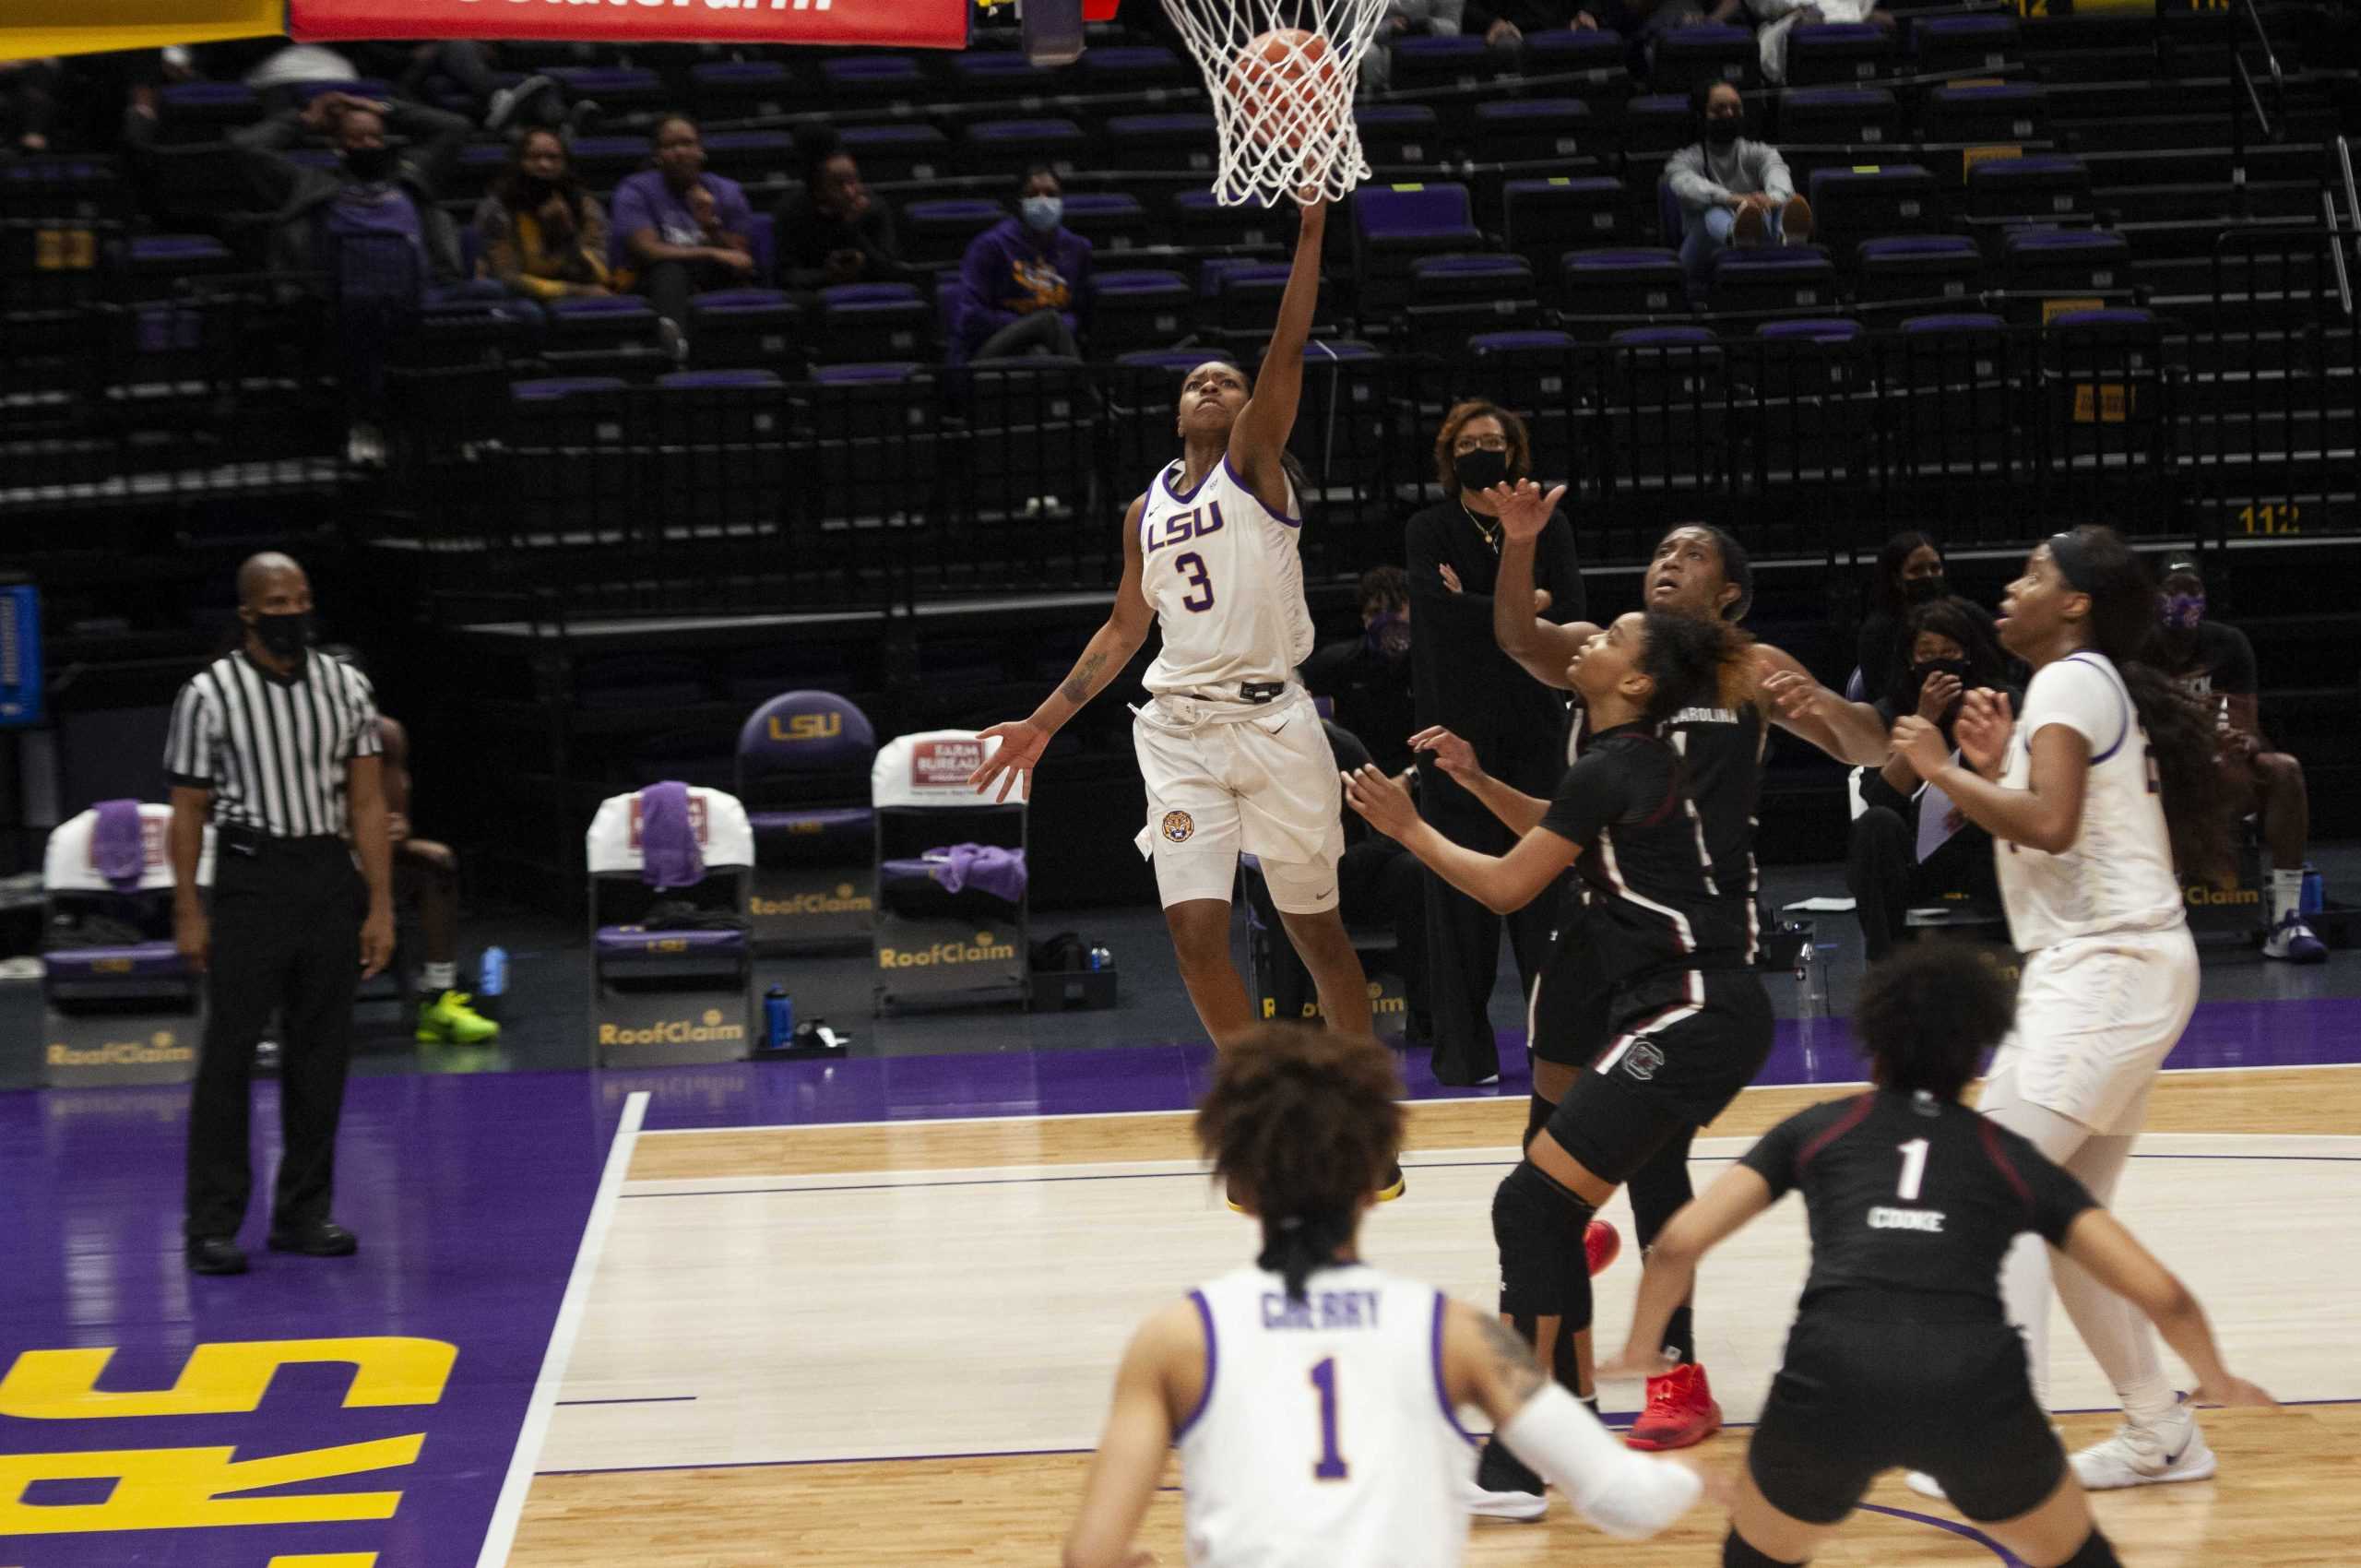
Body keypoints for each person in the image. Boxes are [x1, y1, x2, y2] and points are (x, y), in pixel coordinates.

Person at [1599, 943, 2273, 1568]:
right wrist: (2216, 1377)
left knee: (1757, 1558)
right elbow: (2163, 1294)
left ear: (1872, 1046)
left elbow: (1678, 1244)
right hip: (1973, 1388)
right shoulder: (2011, 1156)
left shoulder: (1818, 1128)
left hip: (1833, 1378)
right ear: (1979, 1050)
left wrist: (1642, 1349)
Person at [968, 197, 1390, 1190]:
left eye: (1226, 380)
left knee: (1314, 929)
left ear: (1250, 408)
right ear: (1174, 410)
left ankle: (1365, 1124)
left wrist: (1312, 234)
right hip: (1179, 728)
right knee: (1193, 930)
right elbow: (1124, 629)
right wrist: (1042, 722)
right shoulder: (1144, 508)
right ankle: (1262, 1120)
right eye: (1195, 380)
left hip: (1278, 720)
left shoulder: (1256, 465)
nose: (1210, 385)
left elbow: (1286, 349)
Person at [1345, 604, 1773, 1518]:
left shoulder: (1618, 762)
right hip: (1687, 1008)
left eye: (1613, 638)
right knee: (1544, 1207)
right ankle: (1558, 1427)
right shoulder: (1623, 765)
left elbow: (1507, 883)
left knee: (1532, 1202)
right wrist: (1476, 778)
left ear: (1637, 683)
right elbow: (1563, 822)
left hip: (1696, 1006)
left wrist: (1409, 828)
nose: (1590, 640)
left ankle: (1525, 1456)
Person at [1485, 506, 1890, 1462]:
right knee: (1546, 1154)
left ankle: (1676, 1374)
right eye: (1661, 547)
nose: (1668, 560)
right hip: (1588, 928)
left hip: (1681, 946)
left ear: (1729, 594)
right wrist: (1515, 540)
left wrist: (1825, 713)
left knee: (1655, 1161)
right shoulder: (1600, 648)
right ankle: (1563, 1389)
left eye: (1693, 553)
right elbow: (1512, 636)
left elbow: (1870, 745)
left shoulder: (1748, 667)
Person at [1062, 1025, 1711, 1568]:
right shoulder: (1456, 1332)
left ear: (1239, 1182)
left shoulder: (1175, 1340)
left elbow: (1091, 1556)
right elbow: (1627, 1500)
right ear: (1373, 1180)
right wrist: (1703, 1482)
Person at [1886, 526, 2235, 1495]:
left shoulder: (2072, 677)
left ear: (2075, 601)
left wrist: (1941, 765)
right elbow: (2045, 823)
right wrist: (1993, 767)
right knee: (2062, 1220)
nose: (2012, 582)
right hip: (2104, 966)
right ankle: (2161, 1429)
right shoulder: (2072, 689)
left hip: (2109, 963)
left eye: (2034, 572)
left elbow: (2050, 823)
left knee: (1984, 1181)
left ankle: (1998, 1437)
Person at [163, 554, 395, 1277]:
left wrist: (380, 903)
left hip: (326, 874)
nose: (292, 611)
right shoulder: (208, 694)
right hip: (251, 877)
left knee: (321, 1054)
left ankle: (302, 1213)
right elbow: (188, 810)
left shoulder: (346, 686)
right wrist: (188, 907)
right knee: (229, 1055)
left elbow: (365, 802)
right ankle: (211, 1224)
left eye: (301, 598)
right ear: (249, 612)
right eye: (277, 601)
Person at [1404, 403, 1584, 1086]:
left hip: (1537, 730)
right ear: (1452, 454)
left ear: (1516, 452)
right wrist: (1518, 608)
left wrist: (1487, 604)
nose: (1485, 450)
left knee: (1546, 896)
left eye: (1496, 441)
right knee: (1456, 905)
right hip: (1450, 732)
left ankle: (1557, 1048)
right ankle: (1464, 1056)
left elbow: (1567, 611)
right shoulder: (1429, 528)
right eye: (1471, 442)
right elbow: (1439, 619)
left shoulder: (1549, 524)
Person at [224, 87, 475, 467]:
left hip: (420, 293)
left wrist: (384, 108)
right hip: (342, 299)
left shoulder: (410, 177)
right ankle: (366, 425)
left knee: (496, 313)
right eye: (358, 138)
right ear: (337, 145)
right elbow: (246, 148)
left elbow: (455, 128)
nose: (370, 145)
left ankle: (459, 433)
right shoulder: (309, 182)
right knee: (362, 324)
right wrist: (304, 119)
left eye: (376, 136)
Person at [317, 645, 502, 1045]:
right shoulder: (302, 742)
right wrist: (353, 834)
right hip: (319, 862)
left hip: (372, 858)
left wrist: (396, 830)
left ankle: (437, 997)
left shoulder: (386, 735)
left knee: (437, 862)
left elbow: (397, 817)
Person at [2155, 555, 2324, 962]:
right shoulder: (2139, 647)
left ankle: (2286, 917)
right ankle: (2165, 919)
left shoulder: (2227, 643)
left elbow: (2248, 728)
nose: (2183, 600)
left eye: (2192, 591)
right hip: (2162, 772)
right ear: (2155, 598)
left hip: (2217, 772)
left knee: (2283, 769)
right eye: (2174, 591)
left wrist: (2242, 744)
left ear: (2205, 597)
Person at [1847, 596, 2015, 961]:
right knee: (1874, 825)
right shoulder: (1888, 713)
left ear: (1968, 655)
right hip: (1917, 862)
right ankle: (1885, 966)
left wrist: (1979, 802)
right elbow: (1880, 800)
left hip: (1983, 850)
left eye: (1950, 651)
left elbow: (2026, 787)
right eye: (1927, 652)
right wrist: (1924, 718)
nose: (1939, 661)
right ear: (1910, 660)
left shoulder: (2001, 704)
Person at [1246, 719, 1432, 1041]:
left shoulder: (1341, 745)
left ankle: (1427, 1015)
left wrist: (1344, 861)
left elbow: (1389, 827)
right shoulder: (1247, 751)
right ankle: (1286, 1026)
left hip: (1352, 871)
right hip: (1288, 873)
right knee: (1274, 886)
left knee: (1414, 872)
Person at [611, 114, 758, 343]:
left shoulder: (727, 191)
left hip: (710, 276)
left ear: (700, 150)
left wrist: (711, 227)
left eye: (687, 143)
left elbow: (741, 261)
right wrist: (711, 252)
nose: (679, 152)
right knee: (670, 270)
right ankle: (676, 346)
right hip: (649, 279)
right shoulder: (635, 190)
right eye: (670, 145)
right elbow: (647, 251)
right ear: (657, 155)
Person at [1667, 83, 1815, 285]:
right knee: (1713, 212)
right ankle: (1734, 234)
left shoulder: (1760, 152)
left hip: (1762, 241)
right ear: (1701, 115)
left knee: (1783, 205)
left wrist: (1772, 199)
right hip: (1703, 253)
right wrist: (1733, 199)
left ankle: (1787, 239)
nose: (1729, 114)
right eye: (1719, 109)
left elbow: (1777, 173)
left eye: (1735, 108)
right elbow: (1684, 185)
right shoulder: (1684, 160)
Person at [955, 166, 1091, 362]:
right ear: (1020, 202)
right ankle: (1089, 393)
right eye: (1034, 194)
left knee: (1040, 354)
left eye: (1051, 194)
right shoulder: (990, 245)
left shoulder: (1077, 248)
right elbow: (971, 316)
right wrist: (1031, 327)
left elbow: (1080, 312)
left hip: (1051, 345)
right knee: (1049, 321)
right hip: (989, 347)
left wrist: (1048, 330)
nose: (1043, 201)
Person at [1855, 529, 1997, 706]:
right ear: (1896, 579)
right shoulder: (1877, 631)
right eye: (1917, 570)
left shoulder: (1970, 615)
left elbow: (1995, 673)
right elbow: (1880, 694)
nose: (1928, 576)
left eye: (1935, 568)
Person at [1301, 565, 1417, 777]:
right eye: (1375, 613)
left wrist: (1411, 778)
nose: (1386, 620)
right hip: (1359, 777)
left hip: (1419, 778)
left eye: (1395, 609)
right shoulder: (1338, 662)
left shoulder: (1431, 663)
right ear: (1364, 618)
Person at [473, 128, 611, 303]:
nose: (544, 165)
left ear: (566, 164)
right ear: (519, 162)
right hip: (519, 301)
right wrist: (573, 291)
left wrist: (567, 236)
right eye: (534, 157)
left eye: (553, 158)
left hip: (577, 290)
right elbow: (506, 278)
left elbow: (600, 275)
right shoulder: (497, 209)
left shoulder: (585, 206)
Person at [775, 124, 918, 291]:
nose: (850, 192)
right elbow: (786, 278)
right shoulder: (792, 210)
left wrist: (854, 233)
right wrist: (827, 275)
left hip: (869, 293)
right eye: (839, 184)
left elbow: (891, 270)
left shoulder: (873, 208)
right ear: (818, 190)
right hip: (818, 298)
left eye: (853, 181)